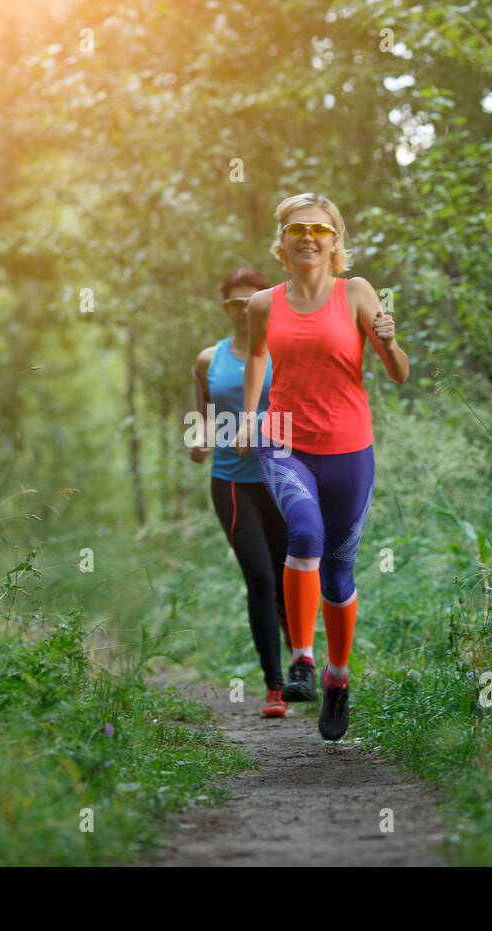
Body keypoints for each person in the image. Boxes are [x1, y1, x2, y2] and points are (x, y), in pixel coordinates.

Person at [236, 193, 409, 740]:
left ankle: (337, 677)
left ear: (335, 241)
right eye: (296, 229)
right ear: (281, 243)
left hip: (349, 446)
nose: (308, 237)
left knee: (338, 573)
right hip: (284, 440)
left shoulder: (356, 293)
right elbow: (259, 354)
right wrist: (248, 417)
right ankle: (304, 660)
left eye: (319, 229)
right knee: (304, 534)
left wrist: (389, 341)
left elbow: (398, 372)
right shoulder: (263, 303)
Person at [189, 267, 294, 718]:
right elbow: (204, 414)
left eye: (250, 300)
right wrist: (198, 438)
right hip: (232, 482)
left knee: (289, 581)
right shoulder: (208, 359)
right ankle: (275, 687)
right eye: (234, 302)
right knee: (261, 580)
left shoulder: (285, 349)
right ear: (225, 307)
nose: (242, 309)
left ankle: (302, 656)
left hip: (284, 477)